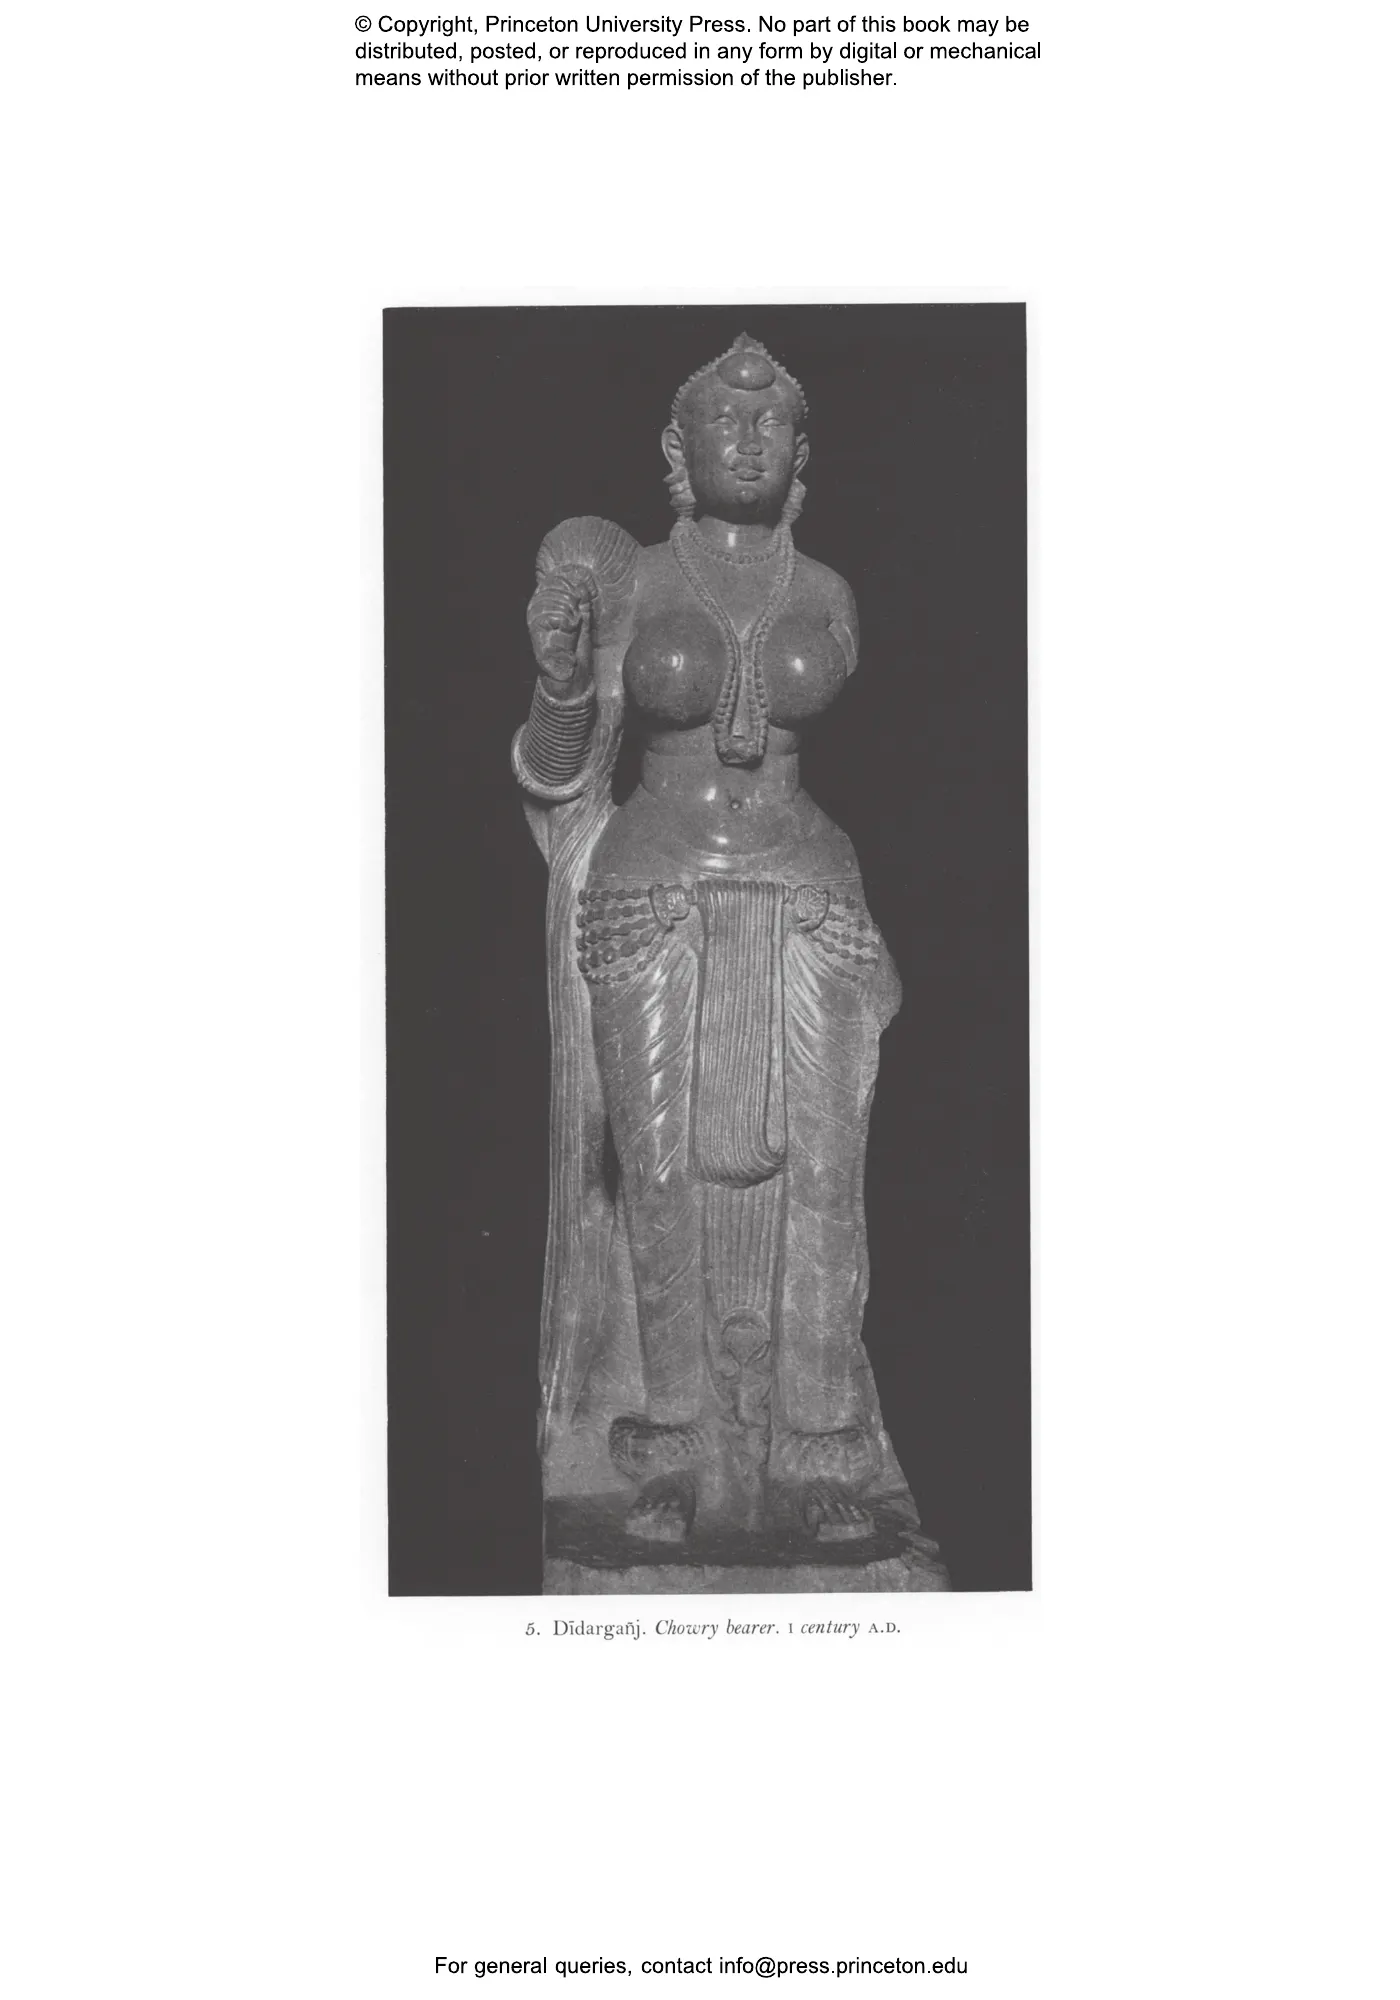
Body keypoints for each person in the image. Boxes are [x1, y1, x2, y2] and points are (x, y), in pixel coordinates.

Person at [514, 335, 918, 1548]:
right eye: (722, 421)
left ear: (800, 451)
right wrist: (559, 678)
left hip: (807, 877)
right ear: (676, 449)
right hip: (651, 879)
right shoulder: (630, 579)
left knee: (826, 1174)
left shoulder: (827, 590)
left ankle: (818, 1443)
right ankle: (673, 1441)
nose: (746, 438)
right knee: (655, 1173)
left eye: (770, 421)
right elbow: (560, 765)